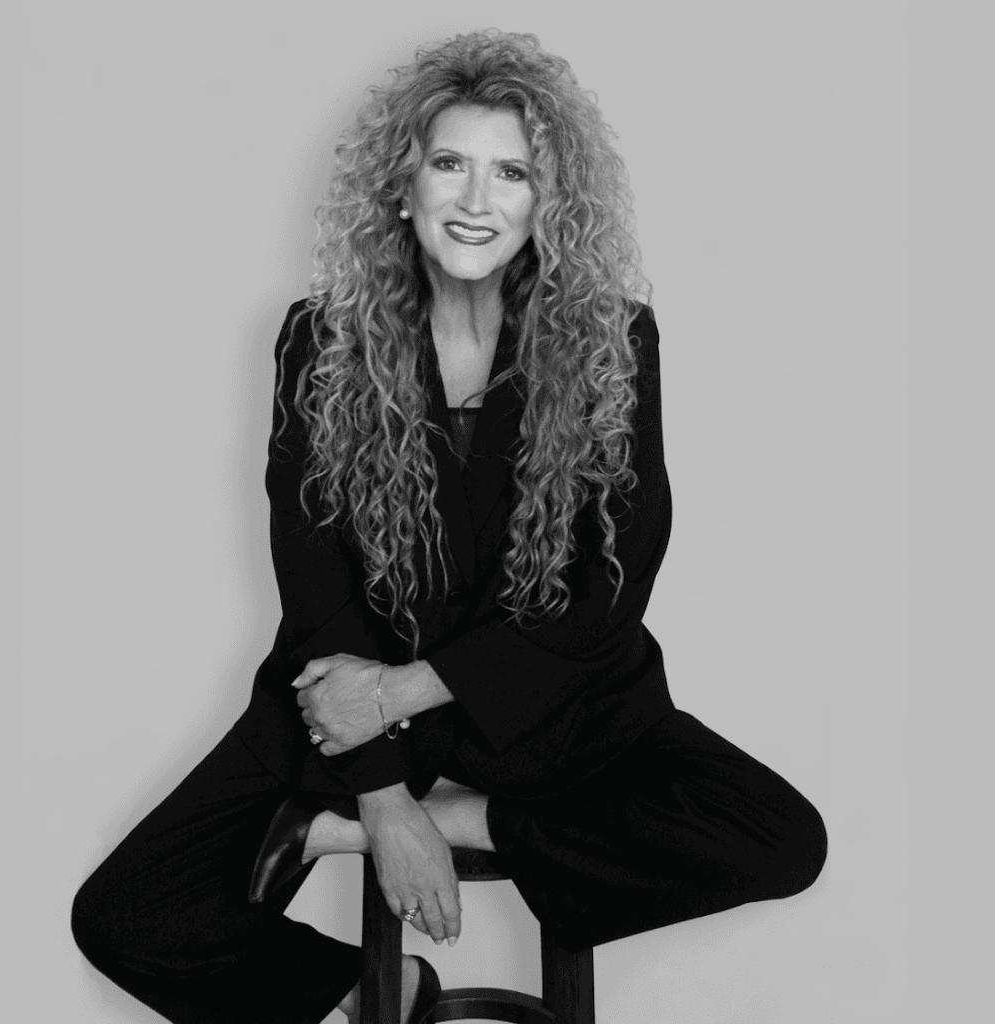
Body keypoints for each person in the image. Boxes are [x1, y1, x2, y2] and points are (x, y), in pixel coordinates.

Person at [71, 30, 826, 1024]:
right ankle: (367, 985)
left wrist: (401, 699)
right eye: (449, 165)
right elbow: (313, 587)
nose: (476, 200)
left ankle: (442, 819)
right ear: (403, 184)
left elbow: (609, 594)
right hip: (351, 707)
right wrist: (379, 795)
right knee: (124, 913)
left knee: (778, 837)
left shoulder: (613, 341)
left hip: (552, 705)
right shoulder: (319, 340)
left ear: (545, 200)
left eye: (509, 172)